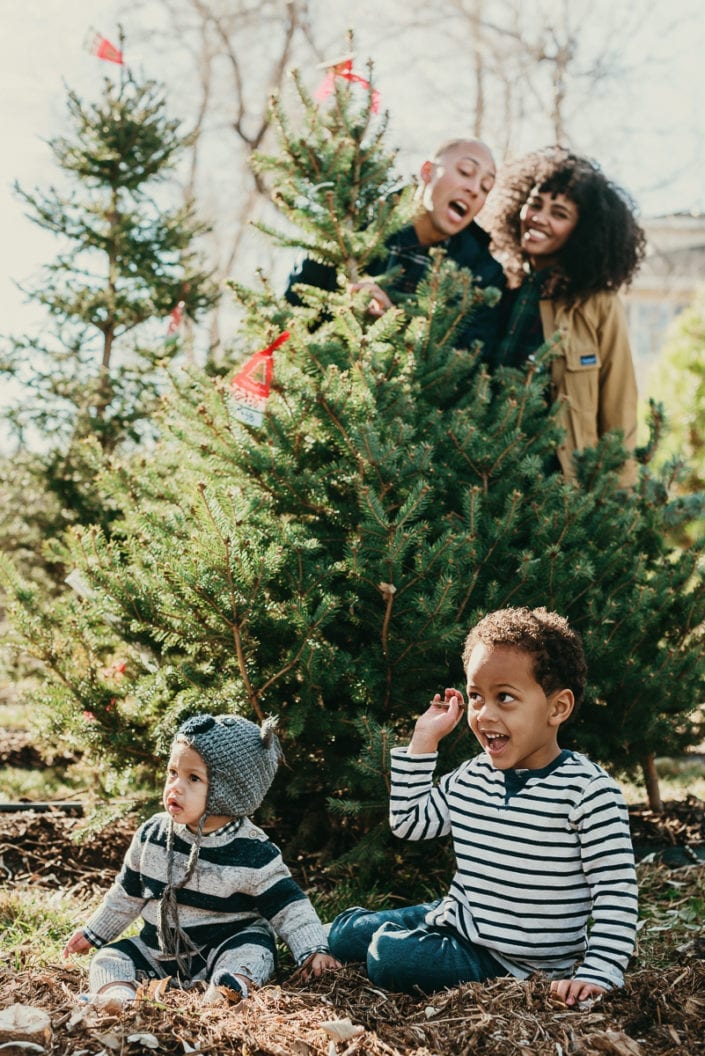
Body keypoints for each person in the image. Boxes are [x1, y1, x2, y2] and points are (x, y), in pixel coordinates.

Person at [328, 606, 638, 1004]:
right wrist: (424, 740)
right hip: (458, 918)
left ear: (557, 708)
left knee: (386, 958)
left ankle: (401, 939)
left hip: (515, 962)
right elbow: (409, 822)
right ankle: (358, 931)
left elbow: (615, 893)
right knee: (342, 937)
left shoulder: (588, 792)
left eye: (504, 697)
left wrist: (600, 971)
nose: (484, 714)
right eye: (476, 696)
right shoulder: (472, 775)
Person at [63, 713, 340, 1010]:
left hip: (224, 947)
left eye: (193, 778)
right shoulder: (152, 835)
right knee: (109, 959)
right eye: (172, 772)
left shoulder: (252, 852)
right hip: (161, 951)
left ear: (230, 791)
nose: (175, 786)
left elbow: (289, 907)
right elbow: (127, 894)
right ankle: (119, 997)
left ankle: (227, 990)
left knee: (254, 952)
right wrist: (94, 933)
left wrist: (313, 949)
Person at [487, 147, 646, 484]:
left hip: (559, 488)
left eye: (559, 214)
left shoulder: (598, 304)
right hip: (488, 478)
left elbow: (618, 409)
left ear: (582, 231)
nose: (539, 218)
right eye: (535, 204)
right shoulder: (499, 285)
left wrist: (617, 495)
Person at [285, 138, 505, 352]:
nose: (475, 189)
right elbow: (293, 309)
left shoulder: (482, 276)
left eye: (486, 187)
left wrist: (397, 329)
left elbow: (469, 357)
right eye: (465, 172)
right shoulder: (354, 225)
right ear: (427, 171)